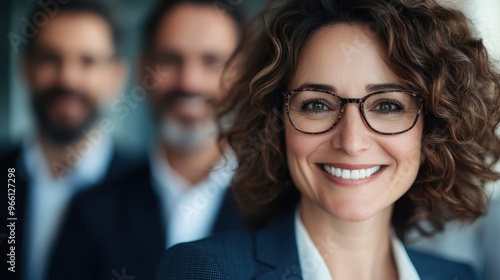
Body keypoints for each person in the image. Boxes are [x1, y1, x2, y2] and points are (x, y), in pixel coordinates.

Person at [157, 0, 500, 279]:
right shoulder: (204, 270)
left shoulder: (461, 276)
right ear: (275, 124)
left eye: (388, 105)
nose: (351, 142)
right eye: (317, 104)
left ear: (434, 129)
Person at [47, 1, 246, 279]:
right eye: (170, 60)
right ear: (143, 69)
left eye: (212, 61)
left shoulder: (280, 208)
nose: (189, 82)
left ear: (241, 74)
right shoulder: (92, 210)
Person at [0, 1, 128, 280]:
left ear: (116, 76)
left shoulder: (144, 191)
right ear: (26, 69)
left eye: (87, 61)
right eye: (50, 58)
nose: (68, 78)